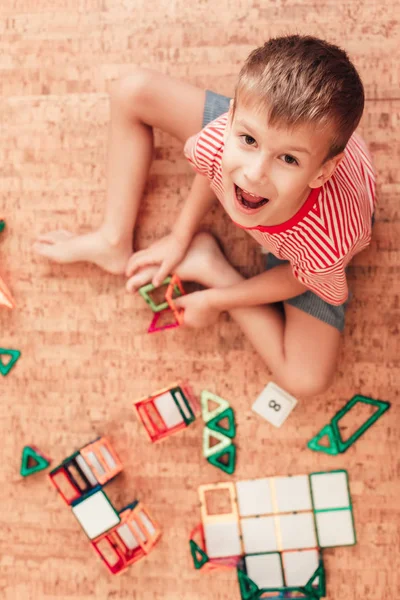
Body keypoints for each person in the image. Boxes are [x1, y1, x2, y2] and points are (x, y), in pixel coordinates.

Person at [34, 35, 375, 397]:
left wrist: (214, 298)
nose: (254, 174)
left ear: (321, 172)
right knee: (132, 90)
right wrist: (179, 235)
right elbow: (215, 165)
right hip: (275, 134)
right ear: (229, 120)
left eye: (288, 159)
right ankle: (112, 239)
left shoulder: (329, 238)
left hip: (302, 249)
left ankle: (211, 265)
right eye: (247, 140)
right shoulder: (222, 140)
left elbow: (297, 279)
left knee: (305, 381)